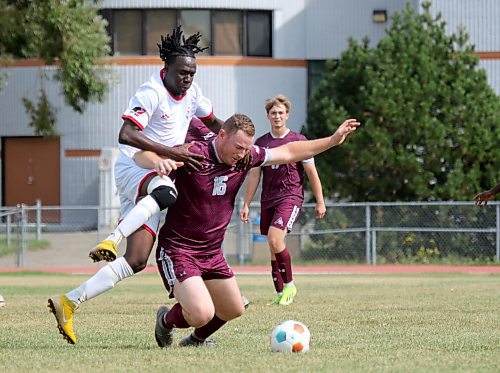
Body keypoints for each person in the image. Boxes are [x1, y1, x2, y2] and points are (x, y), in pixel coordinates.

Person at [47, 26, 225, 345]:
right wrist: (171, 152)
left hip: (158, 174)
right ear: (166, 69)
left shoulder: (194, 93)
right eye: (182, 72)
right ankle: (111, 239)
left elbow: (213, 123)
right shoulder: (151, 91)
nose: (188, 78)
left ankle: (68, 302)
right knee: (167, 193)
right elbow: (126, 135)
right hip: (135, 164)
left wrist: (238, 143)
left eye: (192, 73)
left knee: (138, 260)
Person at [133, 113, 360, 347]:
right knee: (202, 313)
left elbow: (290, 151)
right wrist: (157, 161)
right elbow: (140, 155)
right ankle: (165, 321)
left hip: (212, 253)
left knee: (234, 309)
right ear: (222, 135)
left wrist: (333, 140)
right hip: (179, 250)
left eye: (246, 149)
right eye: (238, 147)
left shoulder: (246, 157)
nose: (242, 154)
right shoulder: (194, 153)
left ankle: (195, 340)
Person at [239, 95, 325, 306]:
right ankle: (280, 293)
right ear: (268, 116)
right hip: (269, 199)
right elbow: (254, 176)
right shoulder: (261, 144)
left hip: (291, 197)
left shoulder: (298, 141)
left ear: (287, 116)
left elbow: (312, 173)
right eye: (273, 113)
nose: (277, 116)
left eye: (280, 112)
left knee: (275, 239)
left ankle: (290, 285)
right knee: (272, 246)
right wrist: (247, 203)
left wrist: (320, 201)